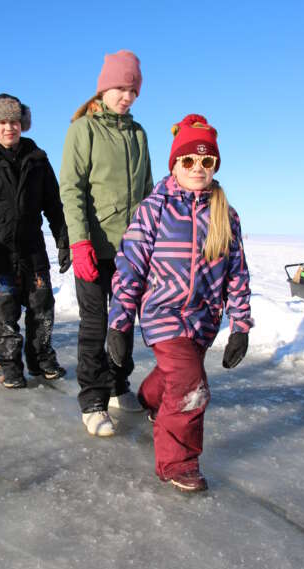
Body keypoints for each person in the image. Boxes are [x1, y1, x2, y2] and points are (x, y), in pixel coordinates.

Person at [107, 114, 253, 492]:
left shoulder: (225, 214)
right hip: (164, 314)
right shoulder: (154, 210)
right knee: (191, 387)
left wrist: (240, 326)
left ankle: (151, 396)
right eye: (188, 160)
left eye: (207, 162)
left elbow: (237, 273)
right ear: (174, 163)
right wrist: (119, 323)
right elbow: (130, 268)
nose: (198, 168)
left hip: (203, 320)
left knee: (178, 379)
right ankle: (178, 463)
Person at [60, 50, 153, 436]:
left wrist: (151, 242)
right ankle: (93, 400)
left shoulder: (138, 133)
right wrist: (79, 243)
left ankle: (118, 384)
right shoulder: (84, 129)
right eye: (120, 87)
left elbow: (148, 192)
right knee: (96, 325)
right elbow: (72, 188)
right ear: (104, 87)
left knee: (124, 323)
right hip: (95, 247)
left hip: (130, 249)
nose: (126, 96)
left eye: (132, 90)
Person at [0, 93, 70, 389]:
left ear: (24, 124)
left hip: (33, 250)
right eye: (4, 122)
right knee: (5, 314)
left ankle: (41, 359)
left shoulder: (38, 159)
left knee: (42, 308)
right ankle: (8, 366)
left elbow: (53, 205)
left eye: (16, 121)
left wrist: (62, 238)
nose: (10, 127)